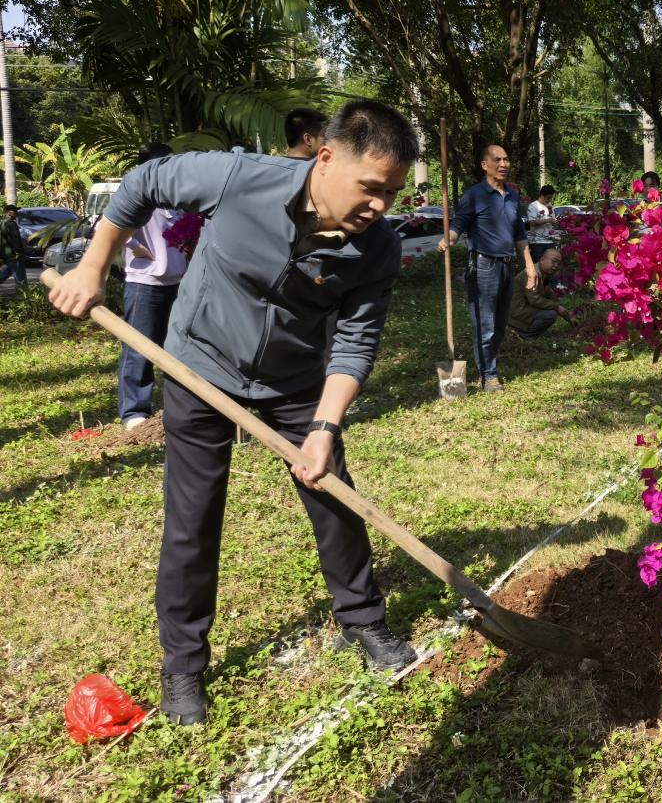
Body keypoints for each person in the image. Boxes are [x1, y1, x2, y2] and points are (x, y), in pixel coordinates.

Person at [49, 99, 422, 725]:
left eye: (391, 192)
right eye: (371, 187)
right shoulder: (238, 177)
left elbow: (356, 343)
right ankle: (183, 666)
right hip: (199, 365)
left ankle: (362, 620)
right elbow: (143, 184)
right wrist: (93, 267)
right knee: (192, 518)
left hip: (295, 381)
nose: (380, 205)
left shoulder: (377, 247)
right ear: (326, 158)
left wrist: (324, 428)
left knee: (332, 493)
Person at [438, 143, 539, 392]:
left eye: (506, 159)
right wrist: (448, 239)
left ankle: (488, 366)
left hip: (507, 266)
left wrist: (529, 266)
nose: (504, 164)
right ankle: (489, 375)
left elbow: (519, 234)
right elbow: (458, 225)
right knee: (485, 324)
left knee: (500, 323)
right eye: (497, 160)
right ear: (485, 165)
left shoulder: (512, 196)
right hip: (483, 266)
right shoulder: (474, 195)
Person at [117, 144, 187, 430]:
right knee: (139, 347)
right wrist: (135, 245)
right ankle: (134, 411)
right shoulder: (136, 194)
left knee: (179, 347)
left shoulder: (176, 197)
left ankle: (179, 405)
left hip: (177, 282)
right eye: (165, 164)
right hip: (144, 284)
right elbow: (105, 226)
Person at [511, 247, 575, 338]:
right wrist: (557, 307)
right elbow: (535, 300)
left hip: (524, 309)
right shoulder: (532, 274)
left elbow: (552, 297)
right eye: (554, 261)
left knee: (552, 310)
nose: (556, 266)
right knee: (550, 315)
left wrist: (568, 315)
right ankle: (524, 336)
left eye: (558, 263)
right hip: (516, 313)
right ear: (542, 260)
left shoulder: (544, 275)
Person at [526, 185, 559, 263]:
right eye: (548, 198)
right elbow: (532, 222)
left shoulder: (549, 205)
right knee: (538, 265)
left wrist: (555, 221)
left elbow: (552, 220)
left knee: (551, 265)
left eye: (551, 198)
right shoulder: (533, 206)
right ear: (541, 195)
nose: (549, 200)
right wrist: (548, 220)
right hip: (537, 242)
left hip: (550, 241)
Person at [0, 203, 26, 288]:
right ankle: (23, 294)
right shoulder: (11, 224)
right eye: (14, 211)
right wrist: (18, 252)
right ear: (8, 212)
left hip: (6, 256)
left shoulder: (2, 222)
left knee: (3, 275)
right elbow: (15, 239)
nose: (16, 213)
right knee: (21, 280)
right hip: (14, 256)